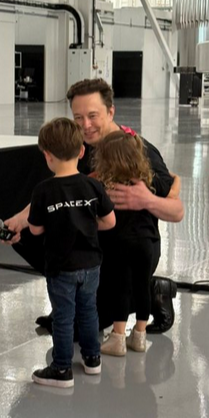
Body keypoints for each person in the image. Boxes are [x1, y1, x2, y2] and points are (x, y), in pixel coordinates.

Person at [4, 79, 183, 333]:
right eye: (78, 118)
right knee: (28, 235)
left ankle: (152, 288)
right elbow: (59, 190)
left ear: (110, 112)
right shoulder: (78, 149)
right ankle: (72, 293)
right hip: (93, 246)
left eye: (92, 116)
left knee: (82, 329)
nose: (85, 125)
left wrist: (146, 200)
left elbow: (177, 212)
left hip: (129, 251)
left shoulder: (136, 151)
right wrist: (20, 220)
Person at [27, 117, 115, 388]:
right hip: (91, 265)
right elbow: (110, 221)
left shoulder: (43, 191)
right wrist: (85, 224)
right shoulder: (93, 186)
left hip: (60, 268)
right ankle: (92, 359)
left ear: (47, 156)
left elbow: (35, 229)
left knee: (63, 317)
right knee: (89, 312)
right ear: (81, 151)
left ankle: (62, 368)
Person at [90, 129, 164, 356]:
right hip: (147, 241)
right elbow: (172, 185)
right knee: (142, 287)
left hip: (119, 242)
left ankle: (118, 337)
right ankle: (140, 335)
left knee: (120, 288)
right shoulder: (145, 180)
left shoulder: (104, 184)